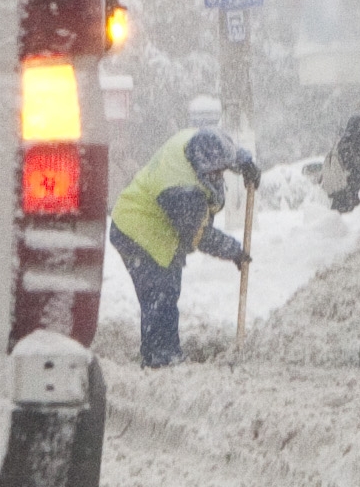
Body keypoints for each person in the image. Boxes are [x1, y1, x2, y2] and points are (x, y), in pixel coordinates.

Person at [108, 123, 260, 370]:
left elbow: (225, 149)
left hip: (156, 226)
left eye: (222, 171)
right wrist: (233, 250)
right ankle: (160, 357)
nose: (219, 178)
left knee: (167, 287)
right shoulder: (180, 189)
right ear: (200, 169)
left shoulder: (195, 142)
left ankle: (164, 349)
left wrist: (244, 163)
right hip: (136, 228)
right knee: (160, 291)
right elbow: (199, 234)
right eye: (214, 174)